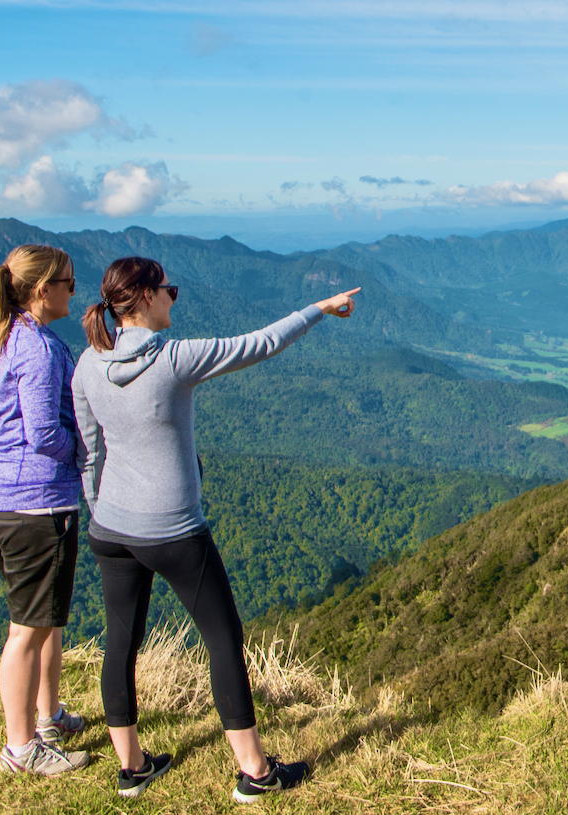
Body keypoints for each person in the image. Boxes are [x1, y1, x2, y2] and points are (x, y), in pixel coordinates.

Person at [74, 256, 358, 801]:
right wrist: (320, 308)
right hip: (174, 530)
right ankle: (256, 773)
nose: (173, 297)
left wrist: (98, 512)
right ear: (147, 297)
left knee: (121, 641)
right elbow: (261, 343)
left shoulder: (88, 364)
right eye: (169, 289)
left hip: (111, 528)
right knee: (223, 639)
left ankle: (132, 768)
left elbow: (90, 453)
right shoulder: (172, 359)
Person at [0, 244, 92, 777]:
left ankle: (49, 716)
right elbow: (43, 434)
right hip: (36, 505)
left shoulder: (0, 338)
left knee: (44, 619)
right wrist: (85, 454)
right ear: (43, 290)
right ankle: (21, 748)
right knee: (26, 630)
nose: (73, 291)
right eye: (68, 283)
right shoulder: (38, 348)